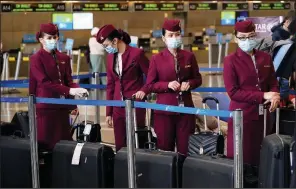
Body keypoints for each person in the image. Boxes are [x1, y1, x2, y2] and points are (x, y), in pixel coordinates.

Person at [223, 20, 280, 166]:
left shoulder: (265, 57)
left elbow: (273, 82)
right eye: (242, 37)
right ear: (235, 38)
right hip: (242, 117)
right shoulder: (230, 61)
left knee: (262, 158)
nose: (247, 40)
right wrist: (262, 96)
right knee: (243, 159)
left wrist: (274, 95)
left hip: (264, 117)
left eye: (251, 36)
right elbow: (233, 92)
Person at [143, 19, 202, 155]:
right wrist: (167, 85)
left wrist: (190, 84)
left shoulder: (189, 57)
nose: (174, 38)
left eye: (177, 34)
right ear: (164, 38)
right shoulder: (156, 59)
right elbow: (150, 85)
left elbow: (198, 79)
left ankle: (185, 176)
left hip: (186, 112)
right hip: (165, 112)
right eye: (170, 35)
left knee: (185, 151)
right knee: (165, 150)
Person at [29, 23, 88, 150]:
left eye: (55, 37)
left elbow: (68, 80)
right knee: (46, 144)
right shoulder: (36, 59)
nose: (52, 40)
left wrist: (76, 96)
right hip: (45, 107)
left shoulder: (64, 58)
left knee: (63, 144)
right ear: (41, 39)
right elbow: (42, 82)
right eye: (49, 38)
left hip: (62, 108)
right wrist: (32, 105)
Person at [96, 25, 150, 151]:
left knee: (137, 142)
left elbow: (151, 76)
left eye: (106, 45)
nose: (106, 48)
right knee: (120, 143)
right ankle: (122, 168)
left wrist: (144, 90)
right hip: (117, 107)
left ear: (115, 41)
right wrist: (108, 112)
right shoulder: (110, 58)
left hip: (135, 105)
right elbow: (110, 85)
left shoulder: (137, 54)